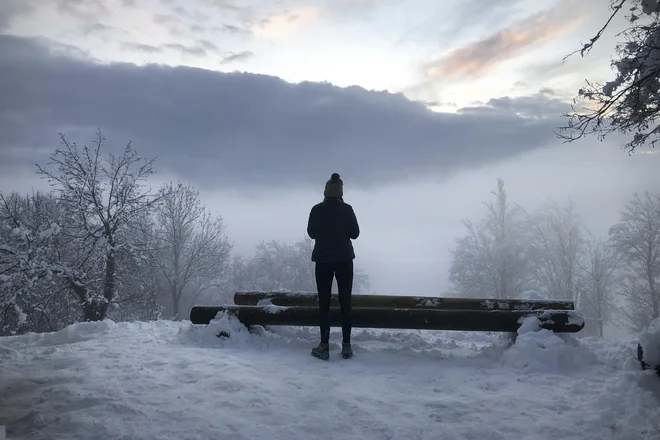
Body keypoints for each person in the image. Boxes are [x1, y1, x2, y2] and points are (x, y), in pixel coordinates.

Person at [306, 172, 360, 360]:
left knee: (324, 303)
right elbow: (355, 234)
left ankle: (324, 345)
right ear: (340, 193)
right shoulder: (347, 209)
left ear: (326, 192)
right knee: (346, 302)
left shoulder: (316, 210)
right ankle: (346, 345)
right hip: (345, 260)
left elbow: (311, 233)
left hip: (323, 260)